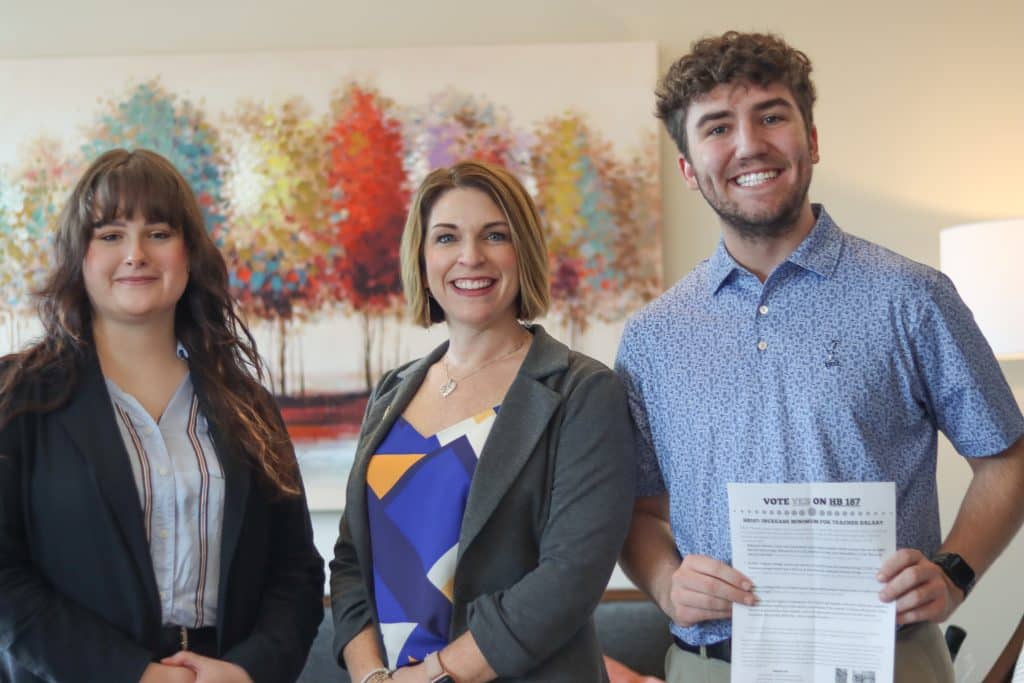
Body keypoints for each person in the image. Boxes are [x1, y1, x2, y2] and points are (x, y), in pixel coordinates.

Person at [615, 30, 1024, 682]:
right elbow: (635, 507)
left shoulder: (912, 298)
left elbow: (1007, 457)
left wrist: (955, 570)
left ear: (812, 138)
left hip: (891, 660)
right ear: (689, 168)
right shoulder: (651, 338)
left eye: (772, 115)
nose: (750, 143)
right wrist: (666, 582)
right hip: (711, 666)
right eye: (718, 127)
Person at [0, 149, 325, 683]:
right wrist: (134, 675)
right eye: (109, 235)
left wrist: (246, 672)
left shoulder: (249, 406)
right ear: (78, 256)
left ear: (188, 253)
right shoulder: (19, 397)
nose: (136, 254)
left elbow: (295, 571)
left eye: (157, 232)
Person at [330, 160, 634, 682]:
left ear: (523, 252)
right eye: (446, 238)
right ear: (422, 257)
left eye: (495, 235)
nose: (470, 256)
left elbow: (569, 578)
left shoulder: (582, 392)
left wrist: (434, 676)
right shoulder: (390, 394)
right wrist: (371, 677)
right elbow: (353, 562)